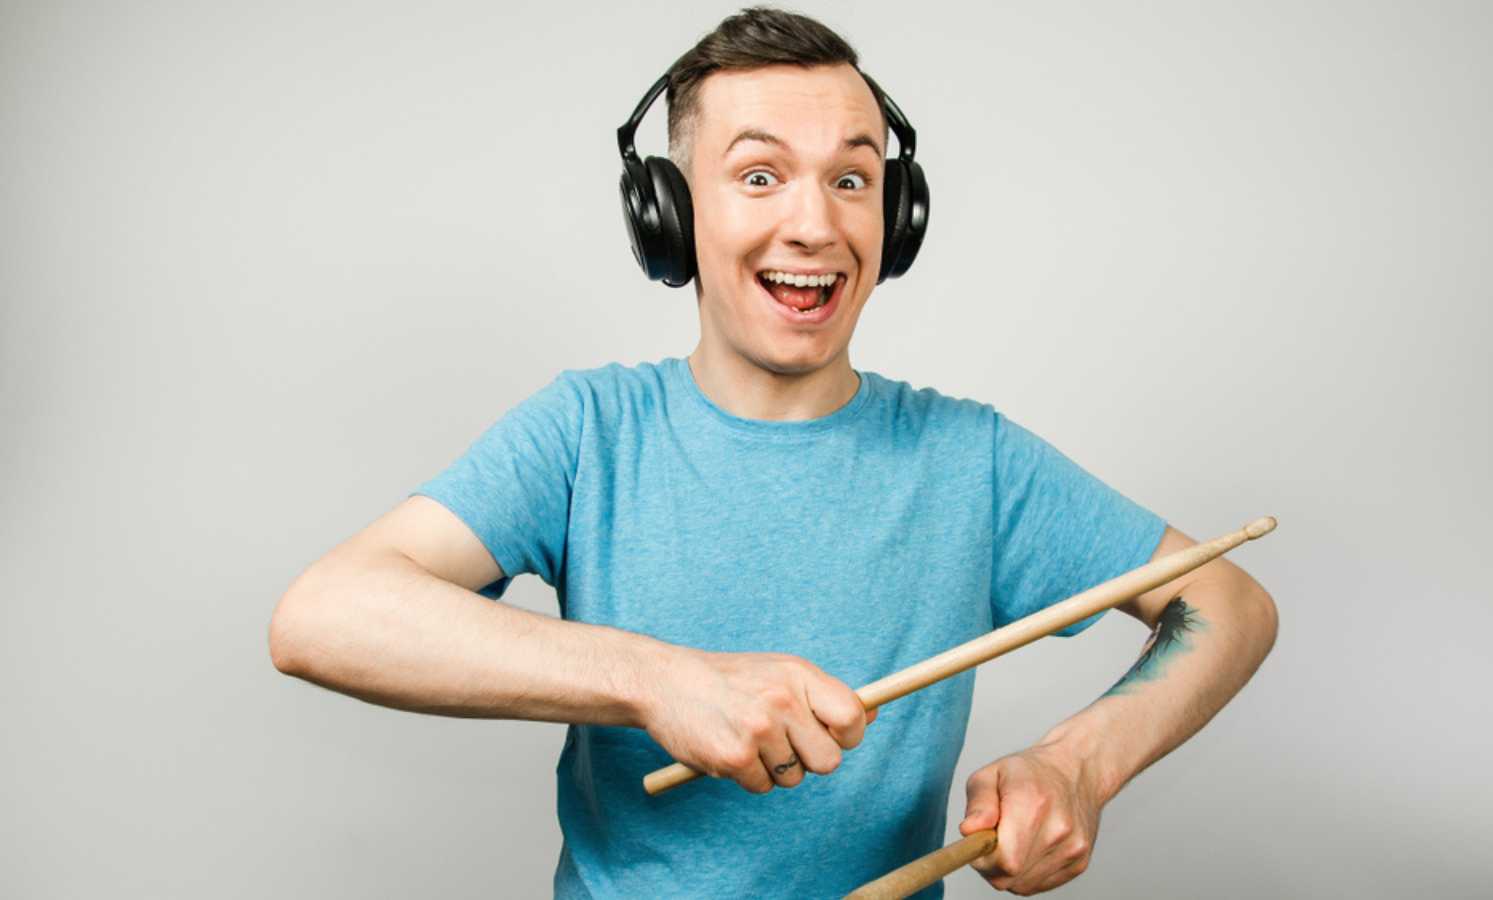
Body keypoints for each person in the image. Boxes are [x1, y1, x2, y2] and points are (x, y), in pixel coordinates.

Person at [268, 7, 1278, 898]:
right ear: (668, 215)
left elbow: (1228, 603)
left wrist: (1077, 765)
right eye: (759, 176)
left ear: (898, 216)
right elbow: (322, 617)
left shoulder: (972, 460)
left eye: (852, 179)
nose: (815, 223)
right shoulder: (588, 431)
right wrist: (657, 680)